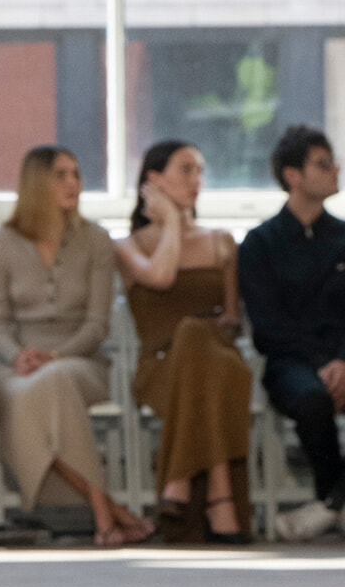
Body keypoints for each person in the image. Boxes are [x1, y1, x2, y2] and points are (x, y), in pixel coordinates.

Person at [0, 147, 150, 547]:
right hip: (18, 368)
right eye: (61, 175)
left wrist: (55, 356)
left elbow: (97, 325)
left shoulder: (96, 240)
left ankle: (101, 511)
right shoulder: (2, 244)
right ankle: (106, 507)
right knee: (32, 390)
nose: (73, 183)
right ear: (36, 184)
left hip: (82, 364)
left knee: (53, 379)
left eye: (76, 174)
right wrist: (17, 356)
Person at [114, 140, 252, 543]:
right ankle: (220, 494)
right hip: (160, 367)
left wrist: (213, 328)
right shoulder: (126, 245)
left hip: (219, 357)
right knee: (194, 339)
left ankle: (178, 480)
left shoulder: (221, 241)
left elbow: (232, 320)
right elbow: (161, 278)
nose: (197, 180)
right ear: (153, 180)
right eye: (185, 169)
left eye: (200, 171)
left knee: (200, 340)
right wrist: (172, 222)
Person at [239, 125, 345, 541]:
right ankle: (335, 500)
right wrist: (322, 364)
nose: (336, 170)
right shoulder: (261, 243)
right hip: (291, 364)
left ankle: (330, 506)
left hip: (342, 358)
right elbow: (268, 326)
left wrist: (341, 358)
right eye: (323, 163)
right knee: (312, 400)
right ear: (292, 176)